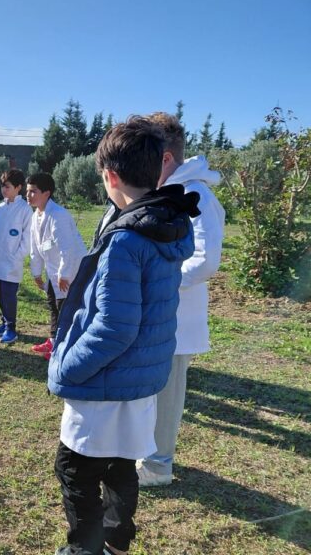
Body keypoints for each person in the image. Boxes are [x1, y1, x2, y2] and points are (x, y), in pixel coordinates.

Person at [48, 116, 199, 555]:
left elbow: (114, 327)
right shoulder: (164, 223)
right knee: (120, 465)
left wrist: (66, 367)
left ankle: (85, 549)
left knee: (74, 469)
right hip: (139, 377)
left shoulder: (126, 240)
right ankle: (116, 542)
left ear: (111, 176)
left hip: (107, 380)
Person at [136, 112, 226, 487]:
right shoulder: (169, 191)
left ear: (166, 158)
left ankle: (159, 466)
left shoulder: (194, 194)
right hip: (159, 310)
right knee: (154, 388)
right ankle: (148, 453)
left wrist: (162, 279)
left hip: (175, 314)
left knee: (168, 389)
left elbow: (207, 259)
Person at [26, 172, 86, 358]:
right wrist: (36, 273)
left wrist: (64, 274)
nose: (28, 195)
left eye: (33, 191)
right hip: (53, 270)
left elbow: (67, 248)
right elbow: (35, 247)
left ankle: (64, 346)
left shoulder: (58, 215)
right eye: (27, 191)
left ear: (47, 193)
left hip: (71, 268)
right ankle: (53, 340)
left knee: (65, 308)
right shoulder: (36, 216)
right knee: (53, 303)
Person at [0, 168, 32, 345]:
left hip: (12, 262)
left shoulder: (25, 210)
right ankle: (4, 323)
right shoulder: (0, 208)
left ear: (18, 187)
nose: (4, 190)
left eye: (8, 186)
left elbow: (27, 238)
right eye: (2, 186)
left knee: (9, 295)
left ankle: (11, 329)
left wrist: (17, 256)